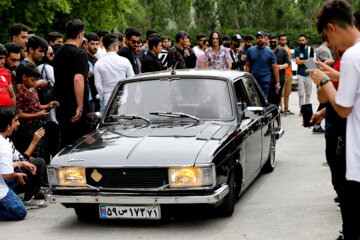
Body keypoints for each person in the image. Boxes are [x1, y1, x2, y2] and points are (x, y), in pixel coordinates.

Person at [308, 1, 360, 238]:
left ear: (332, 28)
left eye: (327, 36)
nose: (330, 44)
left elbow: (342, 108)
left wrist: (323, 80)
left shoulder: (351, 55)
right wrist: (337, 74)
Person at [53, 19, 90, 148]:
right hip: (75, 106)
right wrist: (80, 106)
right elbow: (78, 79)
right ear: (80, 35)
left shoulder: (58, 54)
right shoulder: (80, 54)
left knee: (65, 142)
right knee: (81, 144)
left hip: (62, 105)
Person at [0, 106, 28, 220]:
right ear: (8, 126)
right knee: (20, 212)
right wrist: (17, 176)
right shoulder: (4, 144)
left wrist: (20, 164)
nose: (18, 124)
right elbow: (6, 175)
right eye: (15, 121)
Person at [94, 34, 134, 109]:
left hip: (107, 98)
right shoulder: (124, 61)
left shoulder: (99, 63)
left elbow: (98, 85)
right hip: (123, 97)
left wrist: (103, 97)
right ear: (115, 46)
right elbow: (131, 79)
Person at [37, 46, 60, 164]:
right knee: (54, 144)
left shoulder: (37, 67)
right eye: (51, 54)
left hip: (42, 109)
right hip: (51, 112)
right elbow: (56, 84)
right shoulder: (48, 68)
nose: (53, 57)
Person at [245, 31, 280, 97]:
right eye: (258, 38)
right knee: (253, 100)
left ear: (265, 39)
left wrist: (277, 83)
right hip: (253, 80)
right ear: (256, 39)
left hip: (265, 80)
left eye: (262, 37)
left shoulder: (270, 52)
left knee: (263, 100)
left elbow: (275, 68)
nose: (260, 39)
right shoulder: (250, 50)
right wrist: (246, 79)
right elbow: (247, 65)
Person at [267, 34, 291, 106]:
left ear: (277, 41)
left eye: (275, 42)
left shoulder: (283, 51)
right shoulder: (267, 51)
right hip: (269, 79)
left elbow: (288, 63)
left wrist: (282, 66)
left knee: (278, 97)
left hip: (280, 79)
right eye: (271, 42)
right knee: (269, 98)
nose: (273, 43)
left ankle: (277, 111)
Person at [295, 33, 314, 112]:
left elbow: (312, 63)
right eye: (300, 40)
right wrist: (307, 61)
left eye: (303, 40)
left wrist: (304, 61)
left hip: (308, 74)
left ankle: (307, 109)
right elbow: (297, 62)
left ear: (306, 41)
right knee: (301, 93)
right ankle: (302, 109)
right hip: (300, 74)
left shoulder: (310, 49)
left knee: (308, 93)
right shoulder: (297, 50)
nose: (301, 42)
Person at [278, 33, 294, 115]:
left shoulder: (288, 49)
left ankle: (286, 109)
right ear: (279, 40)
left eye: (285, 39)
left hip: (289, 74)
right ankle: (280, 110)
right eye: (282, 40)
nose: (283, 41)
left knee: (288, 93)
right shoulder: (277, 49)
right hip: (281, 75)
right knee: (281, 94)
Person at [85, 33, 100, 112]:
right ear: (87, 44)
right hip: (89, 97)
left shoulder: (95, 59)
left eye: (97, 44)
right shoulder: (85, 57)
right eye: (92, 44)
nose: (95, 47)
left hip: (96, 96)